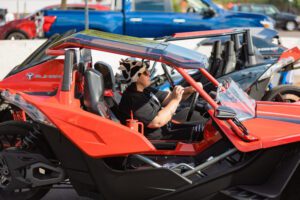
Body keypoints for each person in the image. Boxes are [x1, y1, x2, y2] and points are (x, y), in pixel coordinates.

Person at [118, 58, 203, 140]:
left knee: (204, 126)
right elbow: (157, 122)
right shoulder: (133, 99)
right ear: (136, 78)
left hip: (167, 128)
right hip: (158, 139)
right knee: (202, 133)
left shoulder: (145, 90)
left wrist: (190, 89)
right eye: (144, 72)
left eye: (147, 70)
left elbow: (170, 98)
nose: (149, 73)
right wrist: (175, 100)